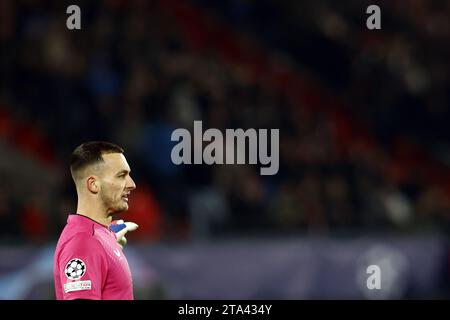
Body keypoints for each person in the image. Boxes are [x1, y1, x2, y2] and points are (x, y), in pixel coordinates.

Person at [53, 141, 138, 300]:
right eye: (121, 176)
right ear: (93, 184)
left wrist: (109, 237)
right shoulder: (82, 243)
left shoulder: (96, 236)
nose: (131, 184)